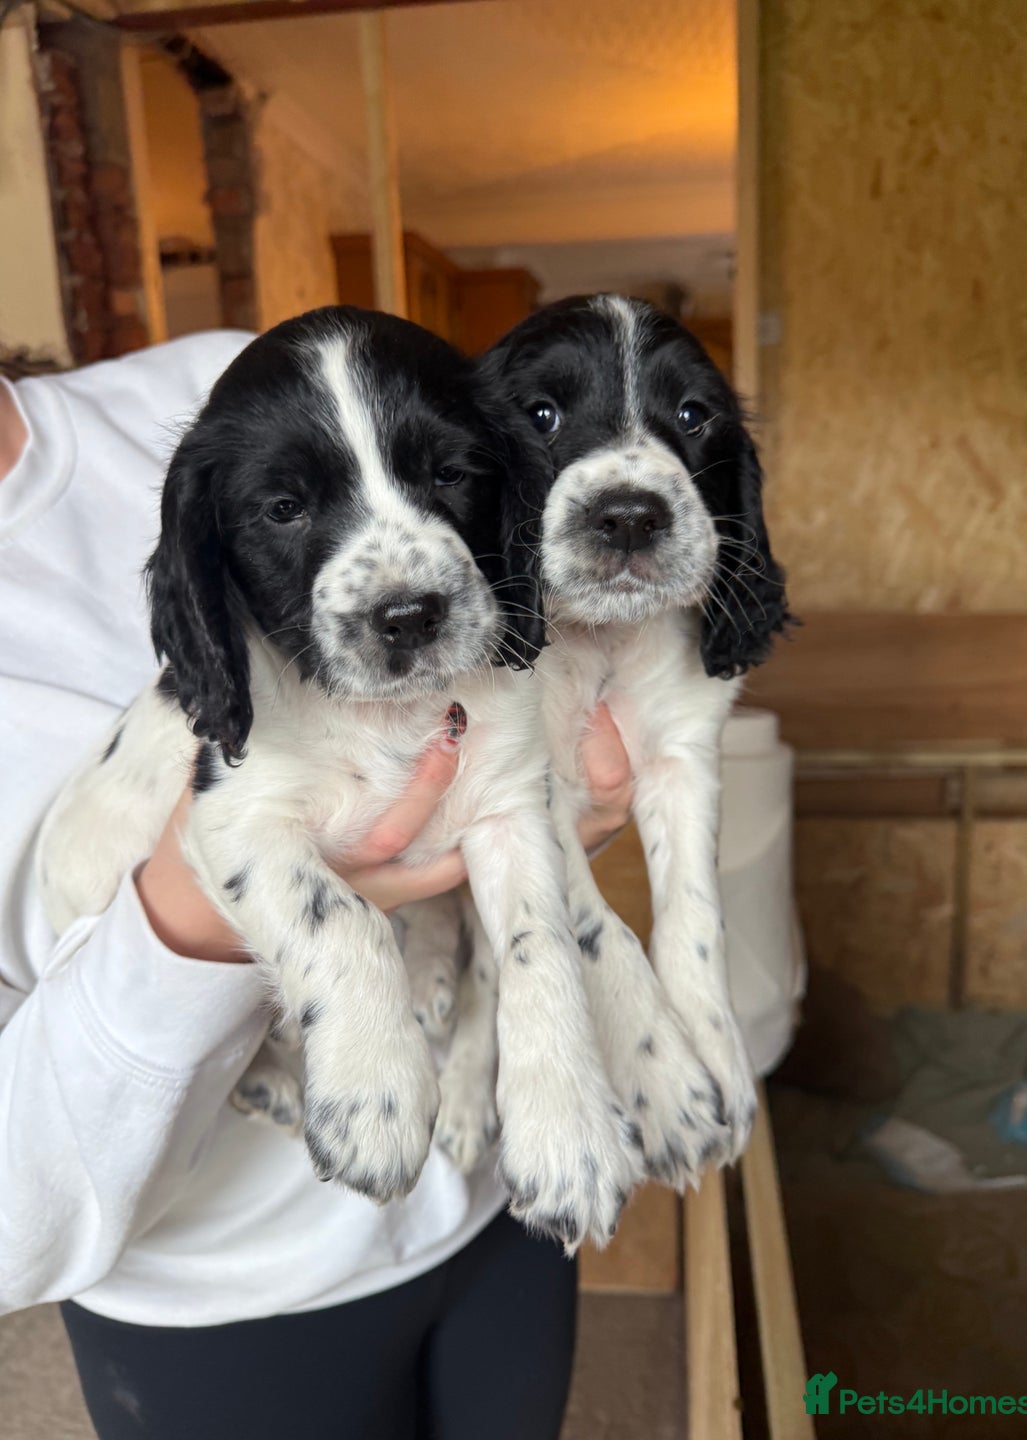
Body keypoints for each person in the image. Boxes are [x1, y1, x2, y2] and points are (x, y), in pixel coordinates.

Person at [0, 333, 634, 1440]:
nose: (401, 579)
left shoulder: (215, 377)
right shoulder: (208, 497)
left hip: (496, 1188)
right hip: (229, 1297)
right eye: (287, 513)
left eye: (445, 478)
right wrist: (197, 923)